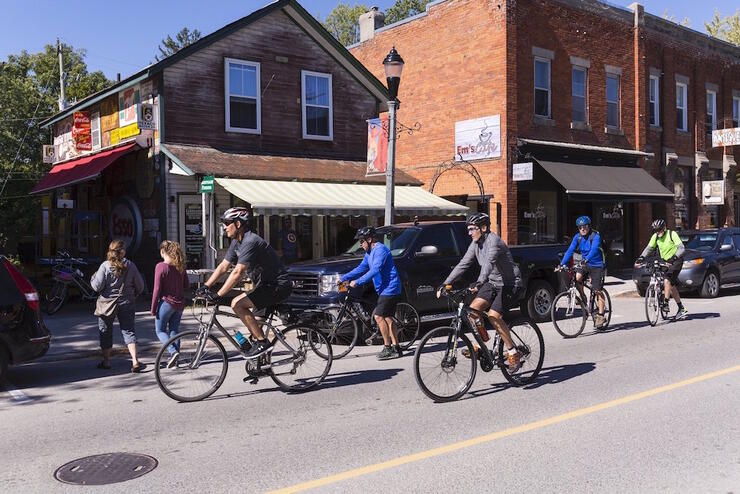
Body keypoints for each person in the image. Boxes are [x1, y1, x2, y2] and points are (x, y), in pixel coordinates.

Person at [199, 207, 292, 359]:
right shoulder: (237, 242)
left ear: (238, 224)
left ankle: (263, 343)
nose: (223, 226)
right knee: (254, 327)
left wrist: (218, 294)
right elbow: (224, 266)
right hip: (264, 286)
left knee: (237, 304)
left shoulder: (251, 241)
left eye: (226, 222)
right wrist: (206, 286)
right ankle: (261, 364)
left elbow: (238, 272)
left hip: (277, 286)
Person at [437, 213, 522, 369]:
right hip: (492, 283)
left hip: (510, 284)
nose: (469, 233)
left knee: (493, 316)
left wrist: (479, 281)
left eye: (472, 229)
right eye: (468, 229)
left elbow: (489, 264)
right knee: (473, 311)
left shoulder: (494, 242)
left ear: (483, 228)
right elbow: (463, 263)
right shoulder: (475, 243)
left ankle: (512, 352)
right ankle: (482, 344)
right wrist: (446, 283)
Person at [340, 226, 403, 360]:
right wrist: (344, 277)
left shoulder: (380, 250)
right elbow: (361, 267)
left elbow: (375, 270)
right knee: (387, 317)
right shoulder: (369, 252)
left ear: (369, 239)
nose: (360, 244)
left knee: (379, 316)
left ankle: (388, 348)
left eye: (361, 241)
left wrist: (357, 282)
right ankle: (396, 347)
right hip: (383, 288)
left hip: (390, 287)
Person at [90, 240, 147, 372]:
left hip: (107, 304)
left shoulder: (105, 266)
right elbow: (140, 286)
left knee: (105, 332)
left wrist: (93, 279)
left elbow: (97, 286)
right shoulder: (131, 266)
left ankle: (106, 361)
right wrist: (134, 294)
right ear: (123, 251)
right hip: (127, 302)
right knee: (128, 331)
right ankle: (134, 361)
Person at [560, 215, 607, 328]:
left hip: (597, 264)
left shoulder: (595, 236)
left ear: (588, 226)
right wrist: (562, 264)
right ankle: (583, 298)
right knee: (577, 277)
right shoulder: (577, 237)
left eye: (584, 227)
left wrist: (585, 260)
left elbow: (594, 250)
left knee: (597, 290)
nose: (582, 229)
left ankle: (601, 314)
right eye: (580, 227)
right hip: (585, 264)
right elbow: (570, 250)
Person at [636, 219, 688, 319]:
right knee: (671, 285)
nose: (658, 232)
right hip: (665, 261)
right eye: (656, 230)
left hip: (676, 260)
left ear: (664, 228)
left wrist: (673, 258)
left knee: (667, 280)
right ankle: (681, 308)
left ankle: (665, 303)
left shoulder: (672, 234)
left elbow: (681, 248)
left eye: (659, 230)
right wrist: (641, 257)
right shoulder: (655, 237)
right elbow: (649, 248)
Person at [151, 240, 190, 369]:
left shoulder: (160, 266)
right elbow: (187, 285)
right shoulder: (180, 266)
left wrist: (153, 308)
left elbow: (157, 289)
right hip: (180, 303)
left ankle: (173, 352)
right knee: (174, 331)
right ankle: (175, 362)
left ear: (163, 251)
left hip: (166, 303)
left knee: (160, 330)